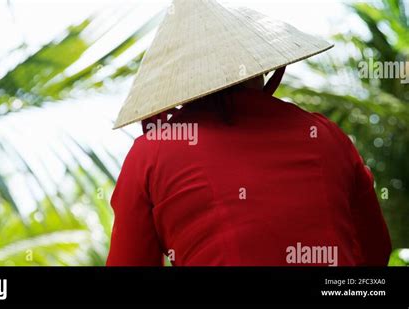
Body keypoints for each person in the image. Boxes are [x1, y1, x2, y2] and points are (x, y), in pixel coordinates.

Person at [106, 0, 392, 266]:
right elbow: (375, 253)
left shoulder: (150, 154)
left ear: (176, 88)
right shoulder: (325, 135)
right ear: (260, 68)